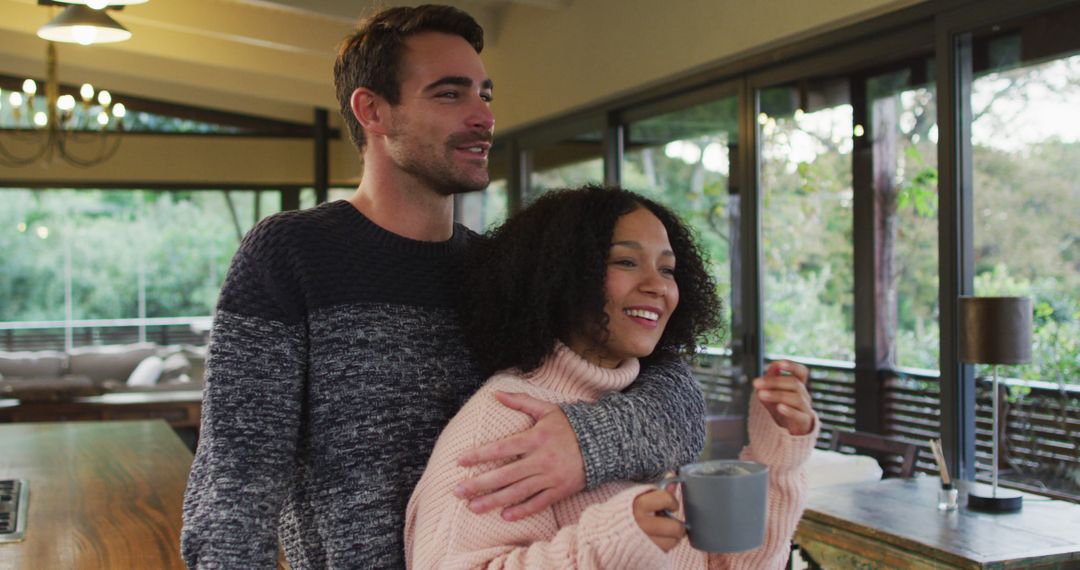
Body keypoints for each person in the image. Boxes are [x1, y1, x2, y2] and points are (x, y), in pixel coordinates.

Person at [181, 6, 710, 569]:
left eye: (485, 94)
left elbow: (679, 402)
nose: (483, 116)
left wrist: (589, 443)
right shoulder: (291, 253)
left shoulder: (505, 267)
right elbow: (232, 487)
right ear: (373, 110)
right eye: (450, 94)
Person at [405, 185, 819, 569]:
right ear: (561, 274)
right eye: (625, 261)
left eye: (668, 269)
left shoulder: (651, 418)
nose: (658, 286)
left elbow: (726, 564)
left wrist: (778, 457)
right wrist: (609, 544)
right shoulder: (500, 424)